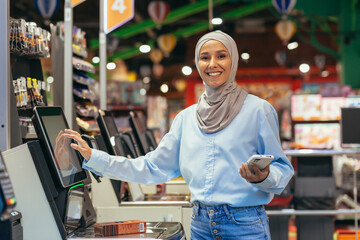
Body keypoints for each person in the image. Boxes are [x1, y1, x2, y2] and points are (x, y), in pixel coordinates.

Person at [64, 30, 294, 240]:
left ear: (233, 60)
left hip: (244, 225)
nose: (212, 64)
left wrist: (264, 177)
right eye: (204, 57)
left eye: (221, 56)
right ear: (197, 63)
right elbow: (152, 168)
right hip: (200, 225)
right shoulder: (186, 119)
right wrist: (93, 157)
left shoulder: (258, 110)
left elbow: (283, 170)